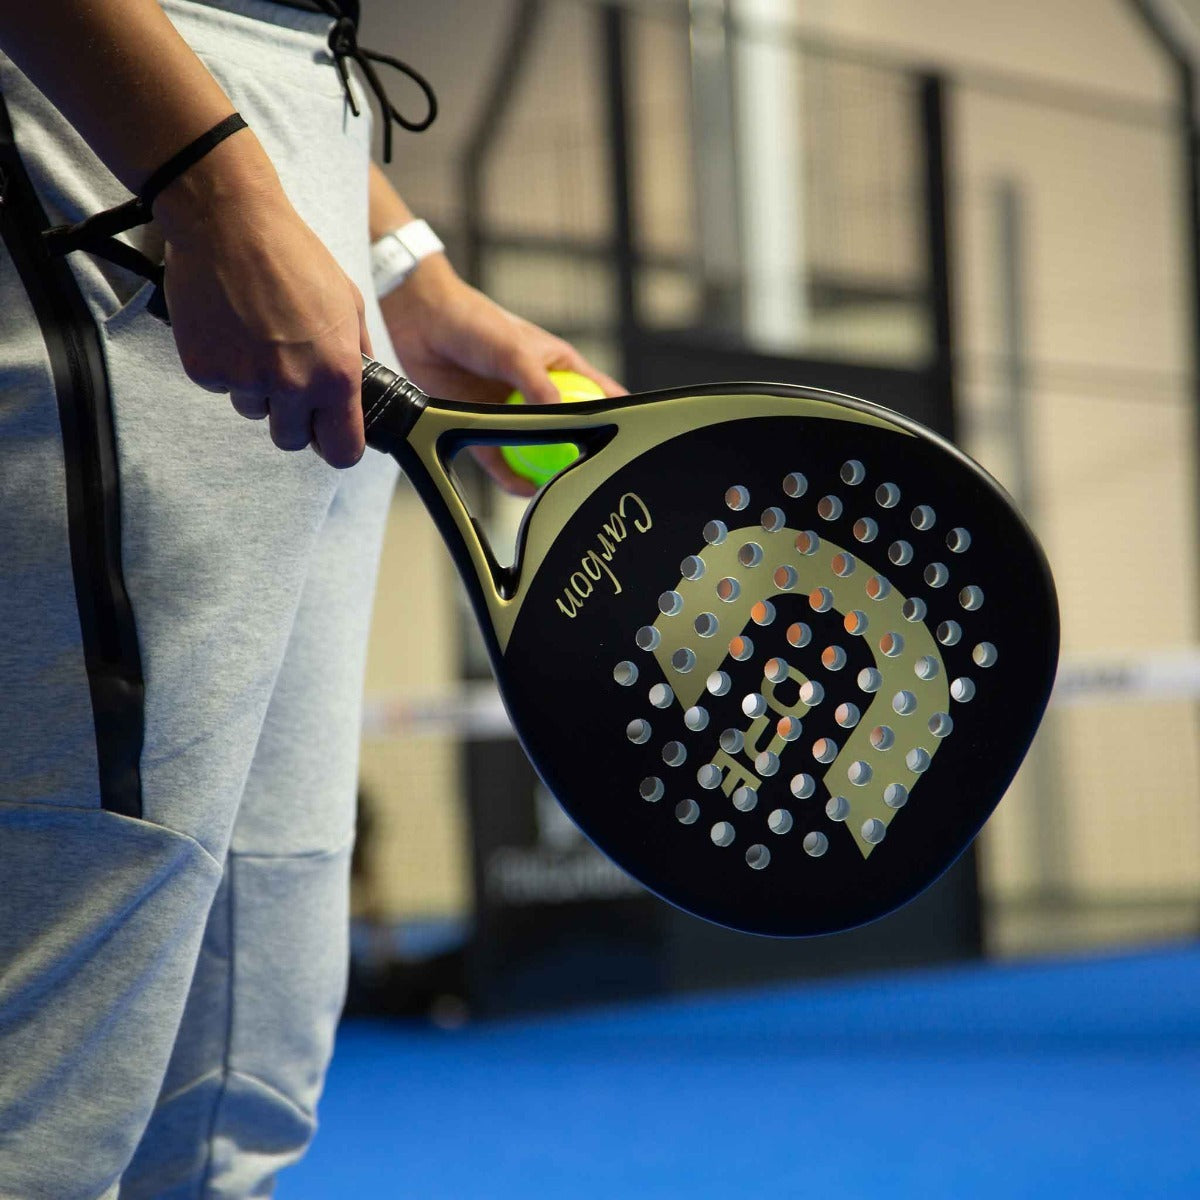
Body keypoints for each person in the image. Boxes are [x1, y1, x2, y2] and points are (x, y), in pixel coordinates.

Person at [0, 1, 620, 1195]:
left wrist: (408, 276)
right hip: (112, 157)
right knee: (51, 1079)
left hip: (294, 162)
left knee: (246, 1073)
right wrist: (213, 193)